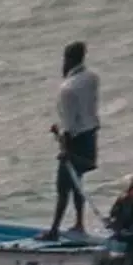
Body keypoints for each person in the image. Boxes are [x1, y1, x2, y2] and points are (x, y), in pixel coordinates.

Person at [40, 40, 100, 241]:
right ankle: (79, 223)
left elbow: (68, 124)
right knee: (78, 182)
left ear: (68, 60)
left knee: (63, 186)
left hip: (74, 140)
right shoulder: (92, 78)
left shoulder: (67, 88)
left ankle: (54, 230)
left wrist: (64, 148)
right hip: (90, 135)